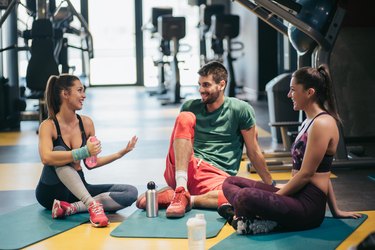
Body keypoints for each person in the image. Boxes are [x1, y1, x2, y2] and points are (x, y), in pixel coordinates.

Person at [219, 65, 362, 234]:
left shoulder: (322, 124)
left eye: (293, 90)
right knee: (231, 182)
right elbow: (324, 170)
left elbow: (307, 174)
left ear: (309, 92)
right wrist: (336, 210)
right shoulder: (308, 121)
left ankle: (249, 219)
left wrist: (274, 199)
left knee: (245, 196)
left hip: (308, 207)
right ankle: (248, 217)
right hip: (294, 194)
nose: (289, 95)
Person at [136, 61, 274, 218]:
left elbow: (254, 151)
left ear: (221, 85)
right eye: (199, 85)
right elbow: (181, 143)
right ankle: (180, 188)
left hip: (216, 177)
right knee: (185, 117)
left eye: (206, 85)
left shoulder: (241, 109)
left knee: (243, 196)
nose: (201, 90)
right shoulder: (190, 106)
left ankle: (185, 198)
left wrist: (271, 186)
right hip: (186, 167)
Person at [35, 74, 138, 228]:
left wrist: (120, 153)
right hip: (51, 192)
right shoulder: (48, 125)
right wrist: (83, 151)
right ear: (65, 94)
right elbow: (46, 158)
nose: (84, 95)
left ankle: (72, 208)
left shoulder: (87, 124)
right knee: (58, 150)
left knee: (130, 192)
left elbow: (91, 163)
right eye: (80, 90)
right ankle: (91, 204)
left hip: (77, 191)